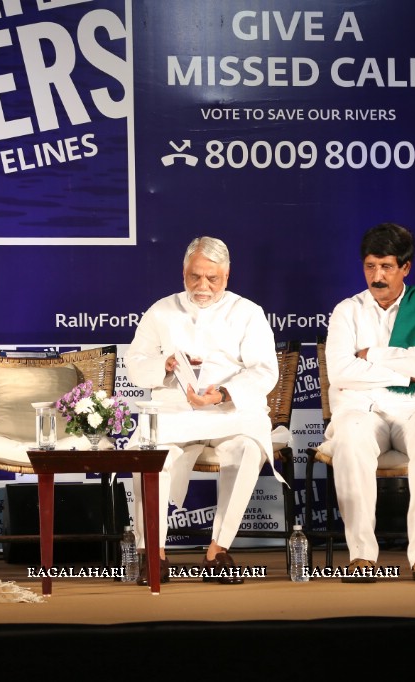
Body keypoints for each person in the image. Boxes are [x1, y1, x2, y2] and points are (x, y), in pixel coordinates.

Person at [126, 236, 279, 584]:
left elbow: (265, 371)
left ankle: (218, 549)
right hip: (175, 413)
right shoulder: (161, 311)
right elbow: (135, 363)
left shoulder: (248, 313)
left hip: (227, 414)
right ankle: (154, 552)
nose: (203, 286)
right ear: (183, 273)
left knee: (248, 450)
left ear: (227, 275)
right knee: (146, 454)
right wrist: (162, 365)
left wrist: (224, 392)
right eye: (195, 277)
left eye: (213, 278)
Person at [322, 223, 415, 584]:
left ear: (405, 268)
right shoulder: (346, 312)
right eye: (370, 266)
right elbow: (342, 373)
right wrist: (404, 374)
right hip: (362, 409)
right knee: (349, 434)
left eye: (386, 267)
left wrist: (373, 355)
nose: (377, 276)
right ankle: (362, 555)